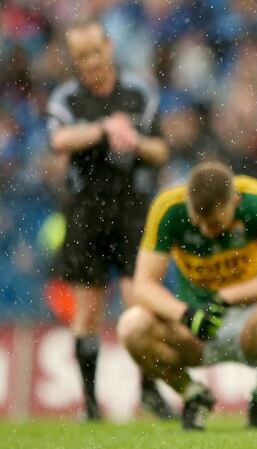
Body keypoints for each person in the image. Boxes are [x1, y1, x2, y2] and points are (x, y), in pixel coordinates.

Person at [117, 161, 257, 430]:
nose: (207, 231)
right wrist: (185, 314)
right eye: (199, 222)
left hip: (252, 323)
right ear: (188, 204)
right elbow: (143, 285)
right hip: (193, 330)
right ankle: (194, 396)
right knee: (131, 325)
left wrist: (227, 296)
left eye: (216, 224)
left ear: (236, 200)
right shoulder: (168, 208)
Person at [46, 20, 171, 421]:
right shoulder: (68, 98)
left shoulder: (138, 93)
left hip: (133, 210)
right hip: (86, 212)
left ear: (109, 46)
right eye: (80, 57)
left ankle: (149, 391)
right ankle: (90, 405)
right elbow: (59, 140)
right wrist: (104, 128)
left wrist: (134, 140)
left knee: (139, 307)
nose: (90, 63)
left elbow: (161, 150)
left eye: (94, 52)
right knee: (88, 311)